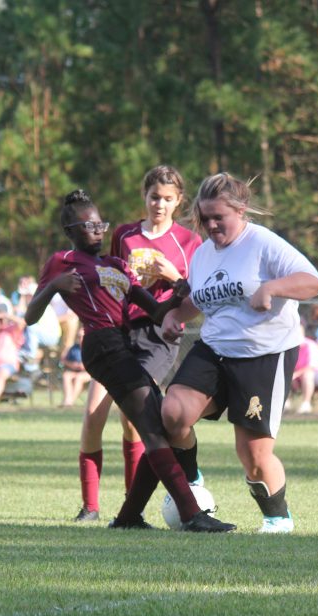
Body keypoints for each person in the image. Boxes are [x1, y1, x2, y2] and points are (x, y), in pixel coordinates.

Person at [25, 189, 233, 532]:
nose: (97, 230)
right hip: (101, 345)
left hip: (125, 344)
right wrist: (53, 287)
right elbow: (31, 317)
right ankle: (192, 515)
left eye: (100, 224)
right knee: (153, 428)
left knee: (156, 427)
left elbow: (154, 311)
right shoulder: (62, 262)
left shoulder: (116, 264)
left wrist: (178, 290)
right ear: (69, 232)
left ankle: (128, 518)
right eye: (87, 225)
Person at [160, 173, 318, 534]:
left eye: (219, 216)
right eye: (205, 218)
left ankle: (277, 518)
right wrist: (176, 315)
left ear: (241, 209)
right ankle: (191, 483)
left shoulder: (263, 243)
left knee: (253, 456)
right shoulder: (203, 254)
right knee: (172, 412)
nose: (212, 224)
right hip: (215, 348)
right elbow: (200, 299)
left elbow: (313, 282)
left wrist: (273, 287)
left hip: (263, 355)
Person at [72, 165, 202, 523]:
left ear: (179, 202)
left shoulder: (188, 242)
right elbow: (109, 276)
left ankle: (133, 506)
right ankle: (90, 507)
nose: (159, 204)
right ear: (144, 196)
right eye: (154, 197)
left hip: (157, 335)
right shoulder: (125, 235)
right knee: (93, 414)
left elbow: (198, 292)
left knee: (133, 418)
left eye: (168, 199)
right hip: (117, 331)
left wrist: (172, 276)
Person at [290, 320, 318, 414]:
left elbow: (310, 367)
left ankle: (306, 404)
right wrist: (293, 377)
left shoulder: (310, 345)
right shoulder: (290, 347)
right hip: (300, 376)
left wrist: (295, 375)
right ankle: (286, 404)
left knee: (307, 374)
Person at [59, 329, 90, 407]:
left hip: (89, 372)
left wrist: (85, 365)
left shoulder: (92, 347)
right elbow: (63, 361)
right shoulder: (73, 348)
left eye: (83, 336)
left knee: (79, 377)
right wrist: (72, 365)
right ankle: (68, 400)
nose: (80, 338)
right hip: (74, 371)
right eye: (79, 336)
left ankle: (70, 402)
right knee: (66, 375)